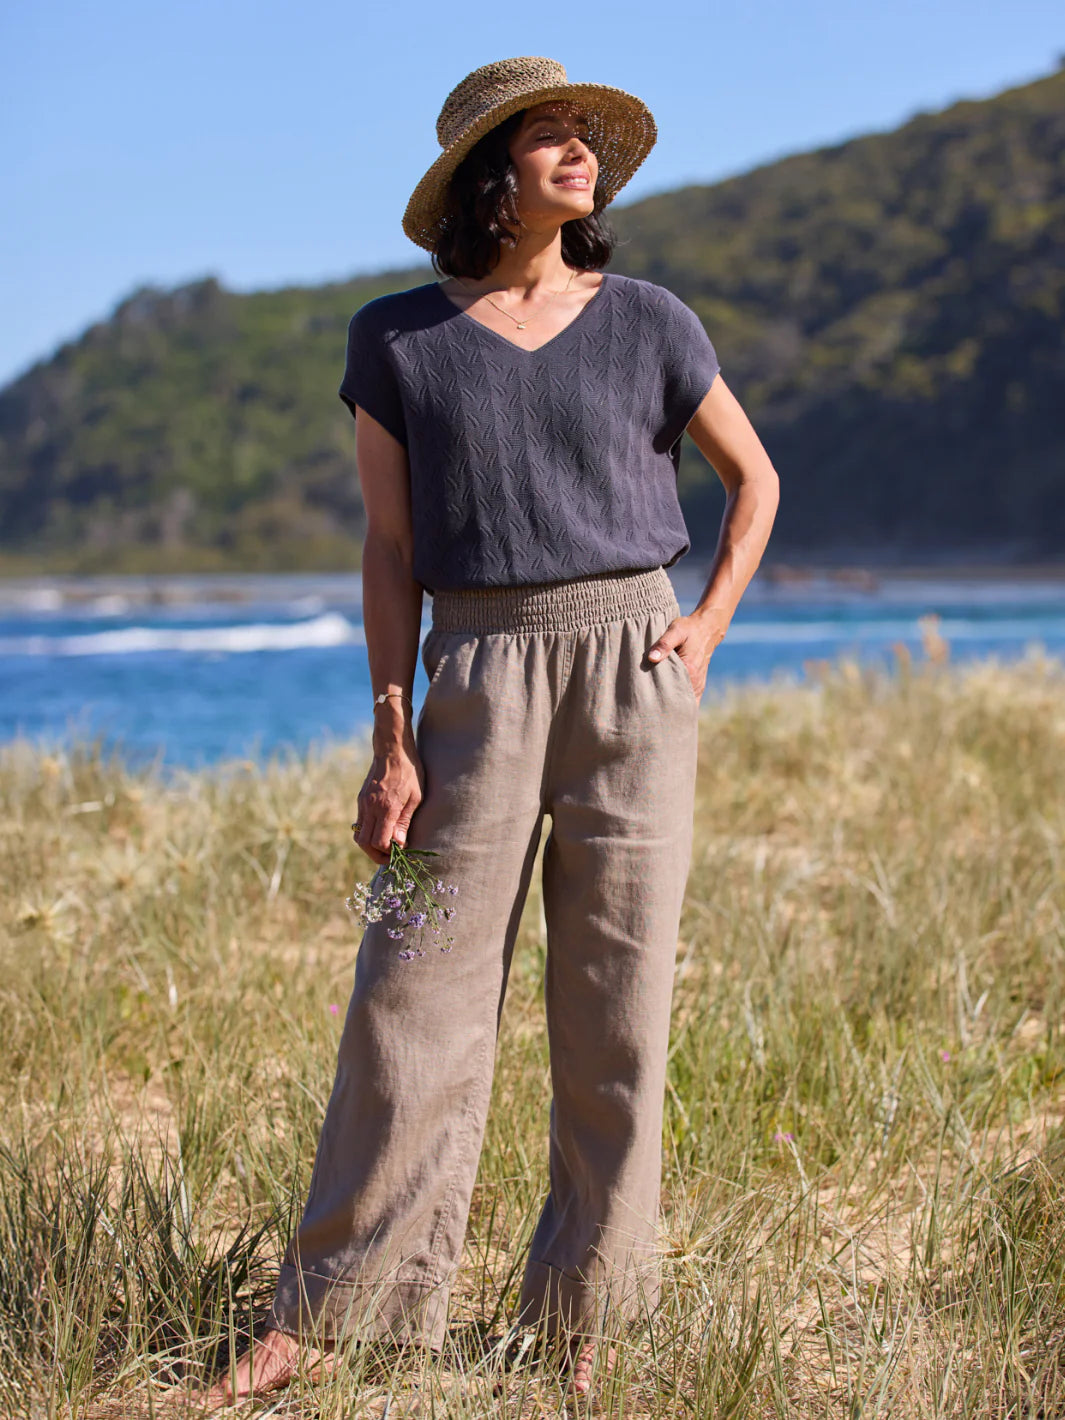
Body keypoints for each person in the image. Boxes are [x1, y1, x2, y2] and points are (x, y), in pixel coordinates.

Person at [205, 54, 779, 1408]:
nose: (581, 155)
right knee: (405, 982)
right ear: (488, 175)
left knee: (617, 1001)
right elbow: (388, 547)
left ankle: (588, 1316)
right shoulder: (397, 338)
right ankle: (331, 1316)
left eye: (586, 138)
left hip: (633, 667)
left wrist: (702, 630)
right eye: (549, 138)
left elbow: (752, 480)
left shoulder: (649, 319)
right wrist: (390, 733)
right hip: (471, 672)